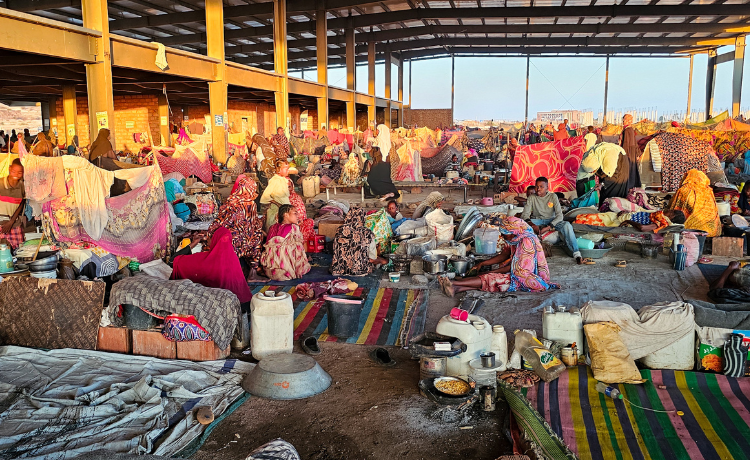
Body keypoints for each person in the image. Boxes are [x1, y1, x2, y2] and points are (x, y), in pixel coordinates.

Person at [438, 217, 558, 296]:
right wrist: (482, 264)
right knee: (491, 276)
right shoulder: (514, 238)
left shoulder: (526, 242)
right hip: (517, 272)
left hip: (527, 278)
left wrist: (493, 271)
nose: (503, 237)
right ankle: (457, 288)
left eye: (505, 235)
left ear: (514, 232)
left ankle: (455, 283)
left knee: (494, 278)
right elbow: (504, 254)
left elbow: (516, 269)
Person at [171, 226, 252, 306]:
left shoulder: (204, 260)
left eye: (209, 236)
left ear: (214, 239)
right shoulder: (233, 259)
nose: (207, 239)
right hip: (235, 306)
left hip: (211, 307)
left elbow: (174, 260)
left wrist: (194, 243)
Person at [208, 175, 266, 281]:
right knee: (258, 236)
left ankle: (235, 270)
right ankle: (253, 272)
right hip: (241, 241)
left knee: (249, 234)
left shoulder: (231, 201)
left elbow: (224, 221)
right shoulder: (250, 204)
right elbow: (253, 224)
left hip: (229, 238)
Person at [521, 177, 590, 264]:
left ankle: (577, 254)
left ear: (547, 188)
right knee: (522, 224)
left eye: (541, 187)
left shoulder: (553, 196)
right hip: (537, 220)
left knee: (567, 225)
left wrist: (548, 227)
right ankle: (523, 252)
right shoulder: (532, 197)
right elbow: (525, 215)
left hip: (551, 220)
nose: (538, 189)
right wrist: (532, 224)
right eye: (537, 186)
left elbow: (559, 216)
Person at [261, 204, 311, 281]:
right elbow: (300, 247)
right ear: (286, 215)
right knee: (298, 244)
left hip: (270, 272)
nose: (297, 216)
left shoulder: (272, 227)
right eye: (295, 213)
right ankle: (295, 268)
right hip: (286, 271)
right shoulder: (293, 227)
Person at [330, 207, 386, 276]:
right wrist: (382, 260)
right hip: (360, 271)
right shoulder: (367, 233)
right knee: (379, 263)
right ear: (362, 218)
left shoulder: (339, 230)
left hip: (339, 270)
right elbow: (372, 258)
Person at [666, 169, 721, 237]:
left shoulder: (685, 189)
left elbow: (675, 207)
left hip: (691, 230)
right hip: (712, 231)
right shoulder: (708, 191)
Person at [260, 159, 292, 231]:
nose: (288, 170)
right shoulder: (275, 180)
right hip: (277, 212)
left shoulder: (283, 179)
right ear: (279, 170)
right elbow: (265, 196)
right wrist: (277, 204)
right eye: (285, 168)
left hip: (285, 210)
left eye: (288, 168)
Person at [0, 159, 25, 250]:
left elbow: (22, 203)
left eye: (19, 172)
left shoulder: (23, 186)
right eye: (14, 171)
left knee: (19, 251)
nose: (16, 175)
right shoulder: (1, 183)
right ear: (10, 169)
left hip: (14, 224)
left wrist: (11, 221)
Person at [620, 114, 642, 191]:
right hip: (631, 152)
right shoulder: (631, 130)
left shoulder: (626, 130)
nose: (623, 121)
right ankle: (632, 185)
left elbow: (626, 143)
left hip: (628, 151)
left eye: (624, 120)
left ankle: (627, 186)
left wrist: (623, 154)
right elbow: (635, 143)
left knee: (627, 169)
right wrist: (637, 153)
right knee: (632, 168)